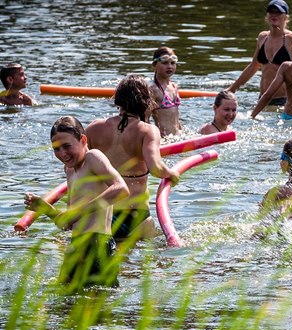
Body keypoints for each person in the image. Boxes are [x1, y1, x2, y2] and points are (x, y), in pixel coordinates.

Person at [24, 116, 129, 293]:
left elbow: (121, 189)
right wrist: (46, 209)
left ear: (83, 140)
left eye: (67, 146)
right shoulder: (70, 170)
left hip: (98, 245)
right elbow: (67, 223)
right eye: (56, 149)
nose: (62, 154)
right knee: (63, 307)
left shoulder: (93, 158)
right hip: (76, 245)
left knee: (97, 310)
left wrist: (80, 211)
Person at [86, 74, 180, 244]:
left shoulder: (94, 127)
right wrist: (172, 173)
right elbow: (156, 167)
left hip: (101, 213)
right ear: (146, 101)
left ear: (118, 98)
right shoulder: (147, 131)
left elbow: (79, 166)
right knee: (148, 261)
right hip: (134, 215)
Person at [228, 0, 292, 106]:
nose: (274, 15)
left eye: (278, 12)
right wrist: (231, 89)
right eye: (271, 12)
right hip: (263, 99)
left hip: (285, 101)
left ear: (286, 17)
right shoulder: (262, 37)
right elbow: (253, 67)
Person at [149, 47, 182, 137]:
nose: (169, 66)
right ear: (154, 65)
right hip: (164, 138)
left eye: (172, 63)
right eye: (165, 63)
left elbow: (176, 118)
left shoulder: (174, 86)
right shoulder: (153, 90)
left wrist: (182, 133)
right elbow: (145, 119)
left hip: (177, 136)